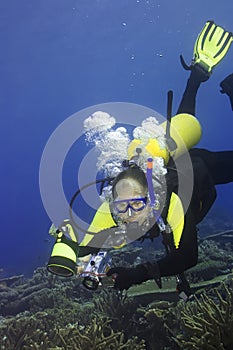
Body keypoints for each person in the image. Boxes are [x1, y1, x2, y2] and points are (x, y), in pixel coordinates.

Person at [47, 21, 233, 295]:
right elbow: (87, 244)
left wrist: (139, 273)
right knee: (170, 139)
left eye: (137, 203)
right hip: (168, 159)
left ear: (152, 194)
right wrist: (71, 248)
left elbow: (187, 256)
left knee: (178, 140)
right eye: (122, 207)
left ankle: (209, 81)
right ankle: (196, 76)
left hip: (198, 172)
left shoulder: (173, 201)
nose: (129, 215)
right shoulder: (113, 208)